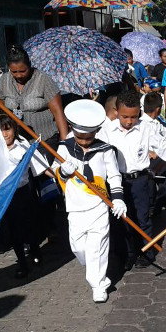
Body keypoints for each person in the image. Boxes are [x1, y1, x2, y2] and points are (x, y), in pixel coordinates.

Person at [98, 90, 166, 269]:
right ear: (116, 111)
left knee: (142, 218)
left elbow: (164, 148)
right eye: (125, 116)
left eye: (133, 117)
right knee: (121, 220)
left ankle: (146, 252)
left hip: (140, 181)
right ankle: (127, 254)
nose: (129, 121)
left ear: (139, 113)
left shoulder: (146, 128)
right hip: (117, 182)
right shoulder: (106, 131)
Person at [54, 100, 125, 303]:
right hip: (75, 207)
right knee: (78, 247)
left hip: (99, 206)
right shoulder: (64, 148)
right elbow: (54, 174)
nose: (85, 142)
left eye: (89, 138)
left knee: (97, 246)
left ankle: (98, 284)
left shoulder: (105, 149)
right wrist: (63, 171)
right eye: (80, 138)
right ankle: (96, 270)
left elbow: (114, 176)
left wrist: (118, 199)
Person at [0, 113, 49, 278]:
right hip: (6, 196)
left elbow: (41, 167)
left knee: (29, 224)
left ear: (14, 129)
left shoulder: (23, 147)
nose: (5, 134)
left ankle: (35, 249)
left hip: (24, 192)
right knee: (13, 230)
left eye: (8, 129)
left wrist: (60, 175)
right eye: (1, 131)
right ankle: (21, 262)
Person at [0, 46, 68, 142]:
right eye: (14, 72)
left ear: (29, 65)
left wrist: (65, 142)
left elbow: (58, 112)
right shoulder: (4, 80)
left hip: (44, 140)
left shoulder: (43, 80)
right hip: (16, 141)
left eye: (22, 71)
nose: (18, 75)